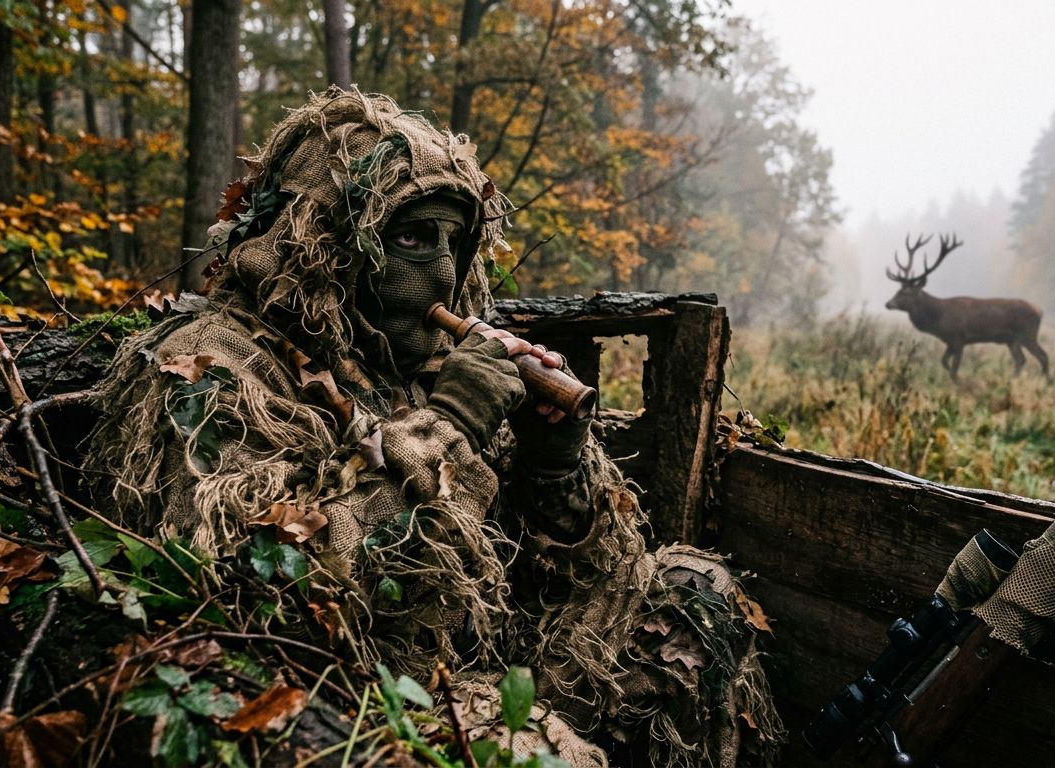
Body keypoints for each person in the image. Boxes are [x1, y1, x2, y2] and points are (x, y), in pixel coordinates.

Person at [86, 88, 781, 767]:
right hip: (368, 699)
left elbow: (588, 581)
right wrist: (447, 425)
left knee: (698, 597)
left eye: (457, 241)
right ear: (327, 245)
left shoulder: (425, 362)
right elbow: (260, 592)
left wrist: (555, 469)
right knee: (525, 749)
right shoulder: (215, 362)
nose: (447, 274)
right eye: (416, 239)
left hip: (499, 666)